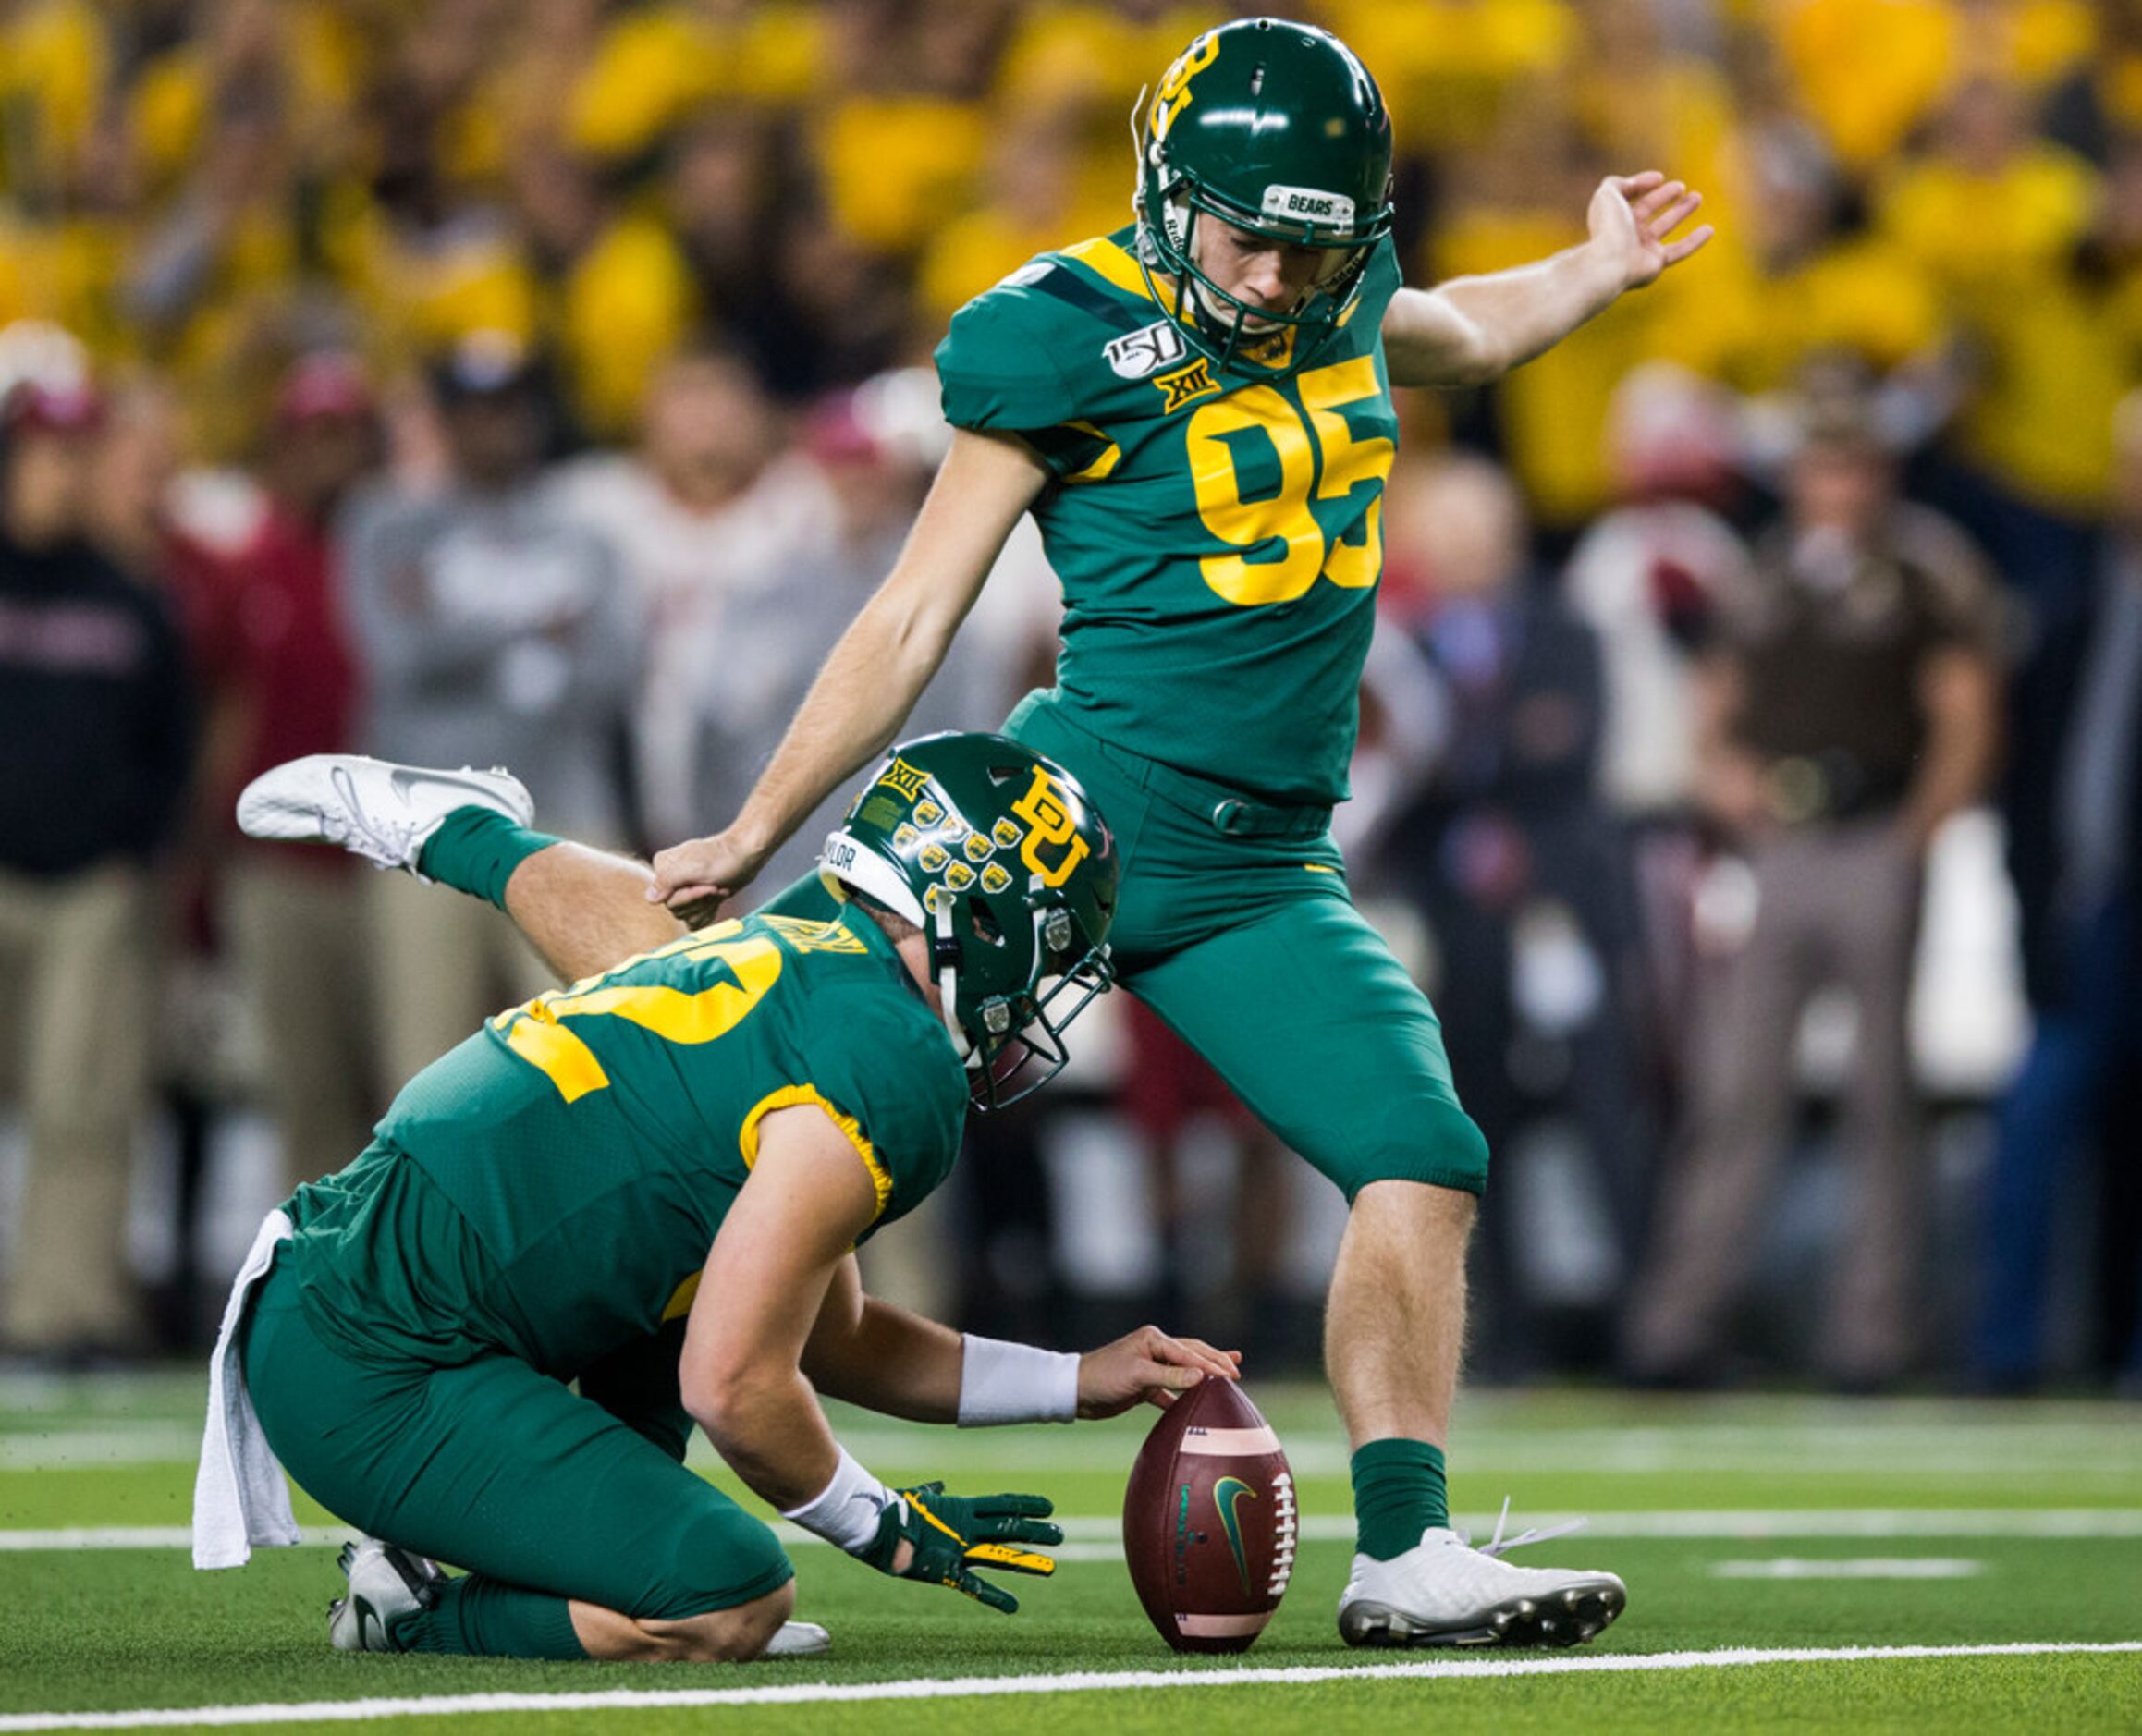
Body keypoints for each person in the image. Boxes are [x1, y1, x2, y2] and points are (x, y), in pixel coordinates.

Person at [645, 18, 1704, 1647]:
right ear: (1165, 188)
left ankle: (1406, 1551)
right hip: (1069, 822)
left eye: (1311, 247)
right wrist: (762, 819)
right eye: (1248, 238)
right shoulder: (1056, 333)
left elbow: (1454, 336)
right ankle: (561, 1433)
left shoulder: (1331, 274)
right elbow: (918, 608)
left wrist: (1588, 269)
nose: (1279, 279)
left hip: (1262, 864)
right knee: (763, 1092)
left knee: (1421, 1148)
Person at [197, 735, 1234, 1661]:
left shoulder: (812, 944)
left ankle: (460, 831)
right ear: (985, 913)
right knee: (729, 1596)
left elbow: (839, 1335)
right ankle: (412, 1609)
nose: (1040, 995)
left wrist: (1073, 1379)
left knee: (685, 1274)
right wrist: (877, 1522)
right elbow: (733, 1385)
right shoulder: (895, 1062)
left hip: (358, 1274)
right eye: (1050, 946)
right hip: (373, 1354)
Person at [1622, 373, 2002, 1391]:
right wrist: (1724, 779)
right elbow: (1716, 703)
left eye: (1851, 463)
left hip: (1875, 831)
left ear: (1877, 471)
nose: (1835, 483)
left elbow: (1966, 712)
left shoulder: (1923, 569)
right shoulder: (1770, 571)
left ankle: (1872, 1337)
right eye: (1820, 464)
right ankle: (1678, 1323)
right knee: (1736, 1089)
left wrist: (1917, 831)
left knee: (1883, 1097)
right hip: (1782, 847)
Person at [0, 373, 195, 1362]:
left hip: (89, 886)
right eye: (48, 454)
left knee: (82, 1103)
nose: (64, 476)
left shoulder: (132, 598)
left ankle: (58, 1311)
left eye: (81, 455)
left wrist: (132, 849)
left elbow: (174, 746)